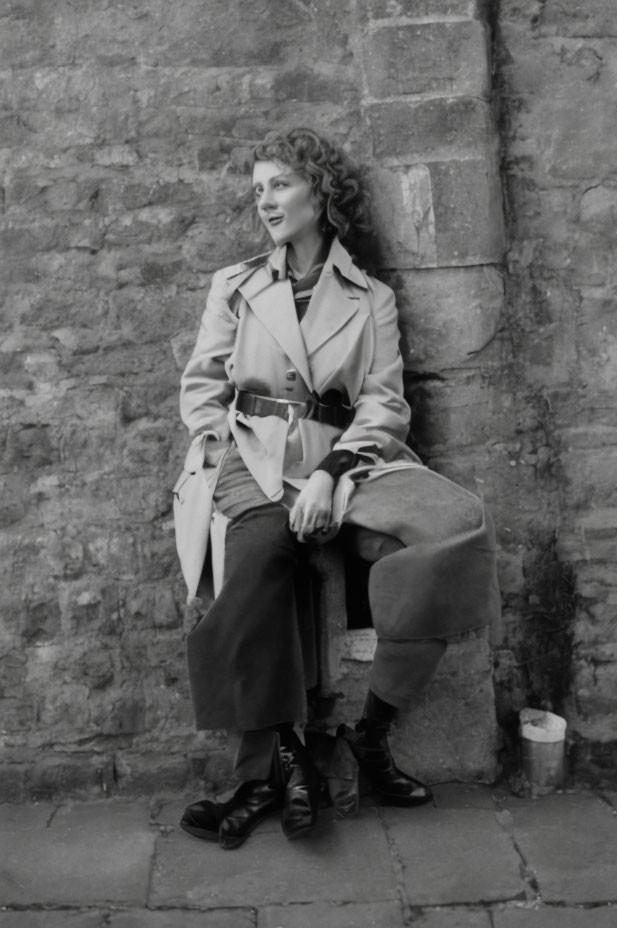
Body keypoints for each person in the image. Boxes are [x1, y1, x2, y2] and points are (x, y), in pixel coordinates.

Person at [173, 127, 501, 850]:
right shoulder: (235, 287)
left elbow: (384, 404)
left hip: (345, 463)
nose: (265, 200)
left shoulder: (370, 297)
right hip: (249, 456)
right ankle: (276, 759)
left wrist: (330, 474)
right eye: (258, 189)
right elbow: (202, 388)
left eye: (280, 184)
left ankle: (371, 734)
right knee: (260, 550)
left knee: (456, 527)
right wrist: (218, 448)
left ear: (320, 193)